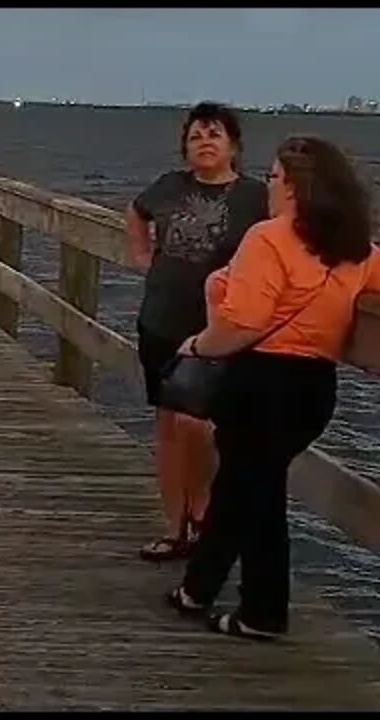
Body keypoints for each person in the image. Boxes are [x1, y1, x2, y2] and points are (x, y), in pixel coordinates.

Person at [165, 135, 380, 640]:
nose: (270, 185)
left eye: (276, 177)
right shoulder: (356, 249)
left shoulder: (268, 238)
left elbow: (243, 323)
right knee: (245, 486)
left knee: (255, 496)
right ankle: (198, 588)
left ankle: (262, 613)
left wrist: (197, 345)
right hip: (313, 389)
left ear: (297, 188)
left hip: (261, 382)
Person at [124, 102, 267, 562]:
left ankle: (205, 515)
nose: (205, 142)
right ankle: (175, 527)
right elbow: (136, 212)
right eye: (196, 136)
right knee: (167, 425)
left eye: (215, 134)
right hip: (162, 322)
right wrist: (143, 256)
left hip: (218, 330)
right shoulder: (169, 185)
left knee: (205, 428)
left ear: (233, 146)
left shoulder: (255, 196)